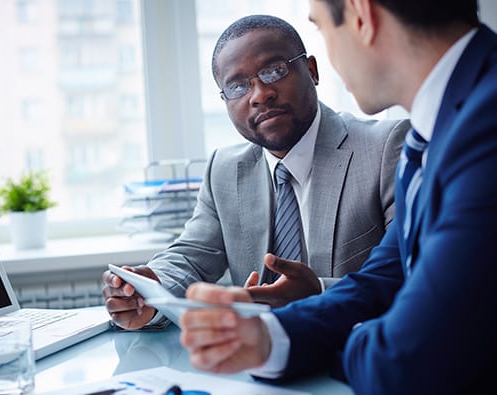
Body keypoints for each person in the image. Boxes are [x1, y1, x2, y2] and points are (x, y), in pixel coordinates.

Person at [179, 0, 497, 394]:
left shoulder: (485, 127)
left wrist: (320, 344)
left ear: (360, 14)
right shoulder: (437, 127)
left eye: (322, 27)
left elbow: (409, 358)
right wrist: (269, 337)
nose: (259, 95)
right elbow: (383, 277)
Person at [102, 15, 408, 330]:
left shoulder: (385, 148)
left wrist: (318, 294)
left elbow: (409, 276)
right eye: (237, 86)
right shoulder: (224, 169)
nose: (260, 94)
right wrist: (148, 290)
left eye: (274, 71)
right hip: (257, 360)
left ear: (312, 71)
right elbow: (191, 255)